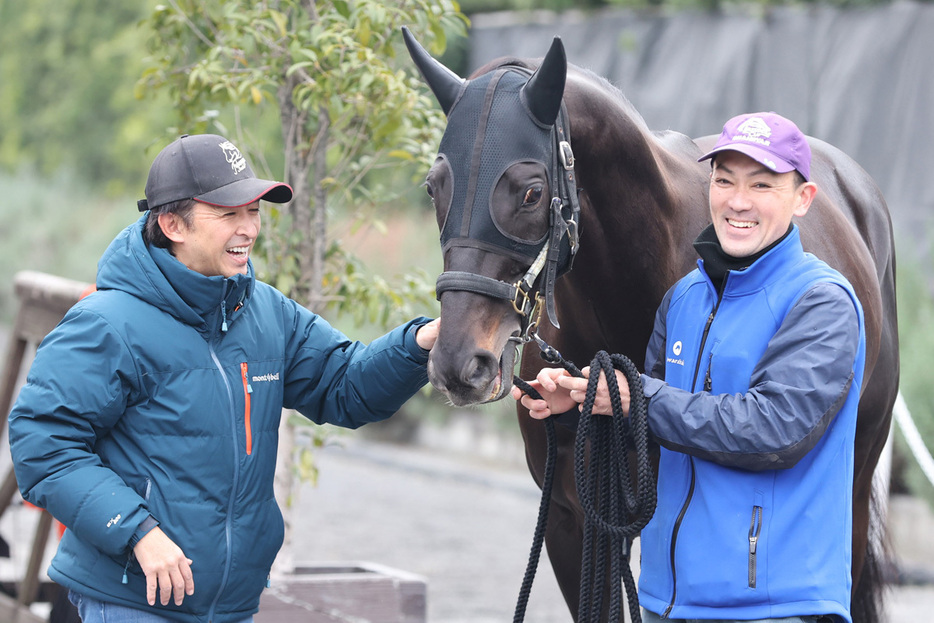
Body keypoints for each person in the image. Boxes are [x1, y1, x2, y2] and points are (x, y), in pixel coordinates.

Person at [8, 133, 440, 623]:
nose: (249, 229)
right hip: (131, 601)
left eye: (254, 211)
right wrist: (137, 532)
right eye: (229, 213)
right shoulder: (106, 323)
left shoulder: (269, 314)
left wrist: (422, 341)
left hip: (232, 606)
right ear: (172, 223)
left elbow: (347, 388)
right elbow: (42, 445)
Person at [514, 112, 864, 623]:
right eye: (724, 180)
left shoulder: (821, 302)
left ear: (802, 198)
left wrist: (635, 395)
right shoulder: (685, 298)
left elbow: (776, 431)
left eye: (762, 184)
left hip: (776, 607)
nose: (738, 201)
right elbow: (655, 432)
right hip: (669, 603)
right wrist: (584, 402)